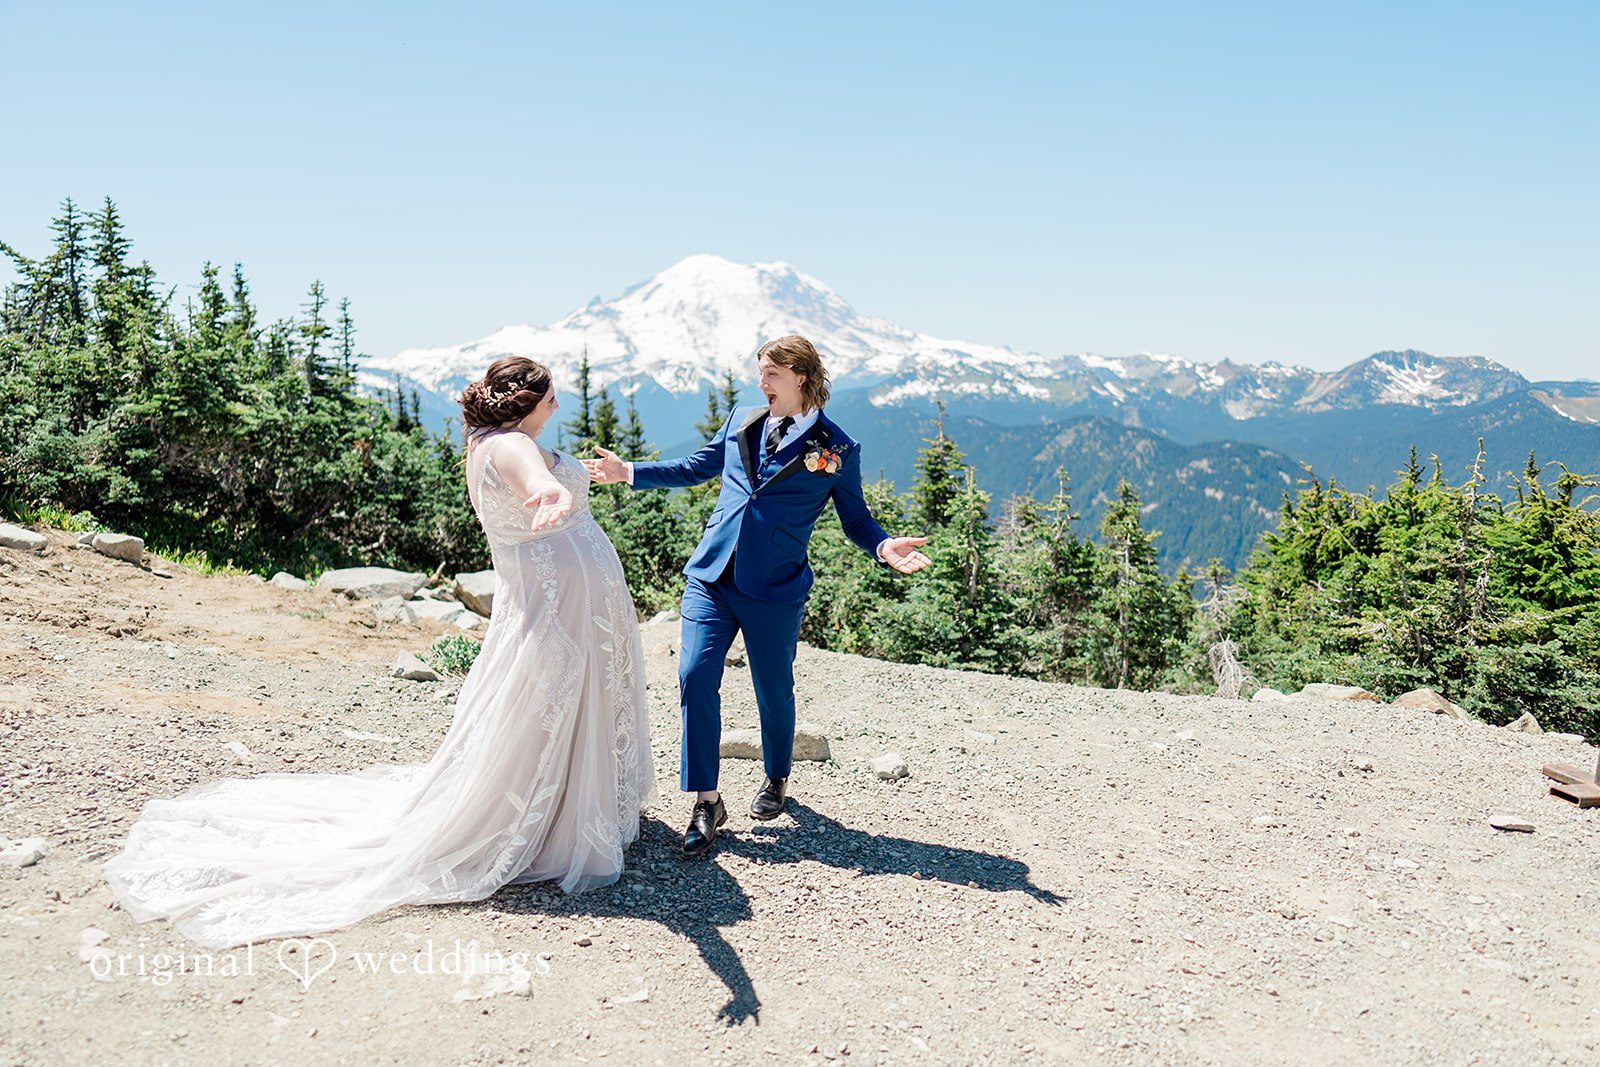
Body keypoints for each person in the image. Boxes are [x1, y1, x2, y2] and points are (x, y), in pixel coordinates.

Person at [103, 357, 655, 949]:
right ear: (527, 403)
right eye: (550, 402)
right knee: (550, 702)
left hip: (569, 603)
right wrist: (551, 493)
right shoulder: (509, 448)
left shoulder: (493, 442)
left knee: (563, 701)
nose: (554, 412)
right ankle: (549, 821)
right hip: (557, 606)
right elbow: (536, 480)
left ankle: (573, 807)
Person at [584, 335, 929, 856]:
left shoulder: (837, 449)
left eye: (771, 374)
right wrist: (626, 472)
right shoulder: (742, 420)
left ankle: (776, 778)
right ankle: (706, 800)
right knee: (695, 675)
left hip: (775, 589)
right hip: (712, 575)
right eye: (760, 372)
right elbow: (695, 468)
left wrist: (883, 546)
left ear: (802, 379)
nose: (761, 383)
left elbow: (855, 519)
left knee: (773, 688)